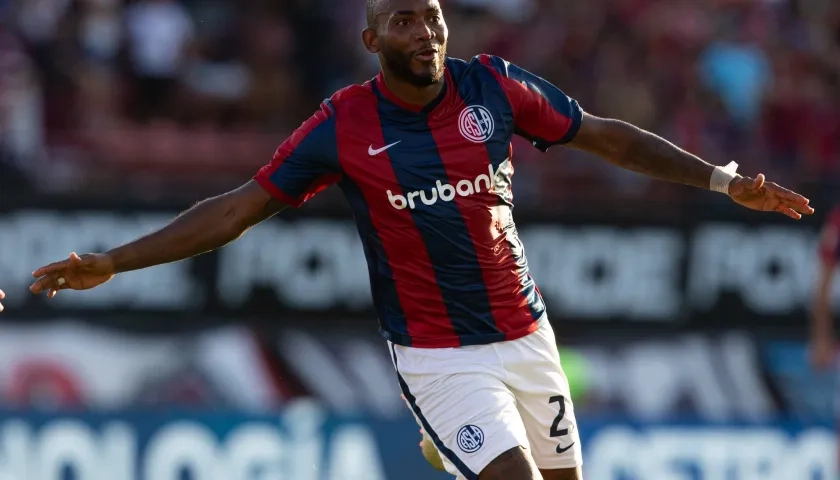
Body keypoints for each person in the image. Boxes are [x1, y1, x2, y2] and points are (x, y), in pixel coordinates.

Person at [30, 0, 814, 479]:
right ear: (372, 39)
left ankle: (456, 449)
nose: (426, 29)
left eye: (434, 15)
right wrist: (114, 260)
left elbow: (603, 136)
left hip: (528, 335)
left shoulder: (493, 86)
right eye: (404, 19)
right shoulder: (344, 125)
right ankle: (453, 434)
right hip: (441, 358)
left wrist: (720, 179)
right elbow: (238, 209)